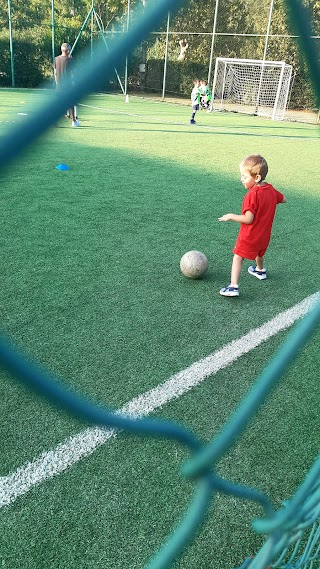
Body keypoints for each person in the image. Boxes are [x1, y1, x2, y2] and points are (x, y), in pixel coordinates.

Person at [218, 154, 286, 297]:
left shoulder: (252, 195)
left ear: (257, 178)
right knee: (260, 253)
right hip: (264, 236)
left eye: (244, 176)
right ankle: (260, 271)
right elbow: (283, 199)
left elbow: (248, 219)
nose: (241, 179)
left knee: (238, 256)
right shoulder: (270, 189)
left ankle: (233, 286)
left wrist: (231, 216)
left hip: (249, 235)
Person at [54, 43, 80, 127]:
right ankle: (74, 121)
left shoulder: (56, 59)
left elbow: (55, 73)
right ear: (68, 51)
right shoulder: (70, 60)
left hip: (59, 84)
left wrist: (57, 82)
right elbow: (74, 73)